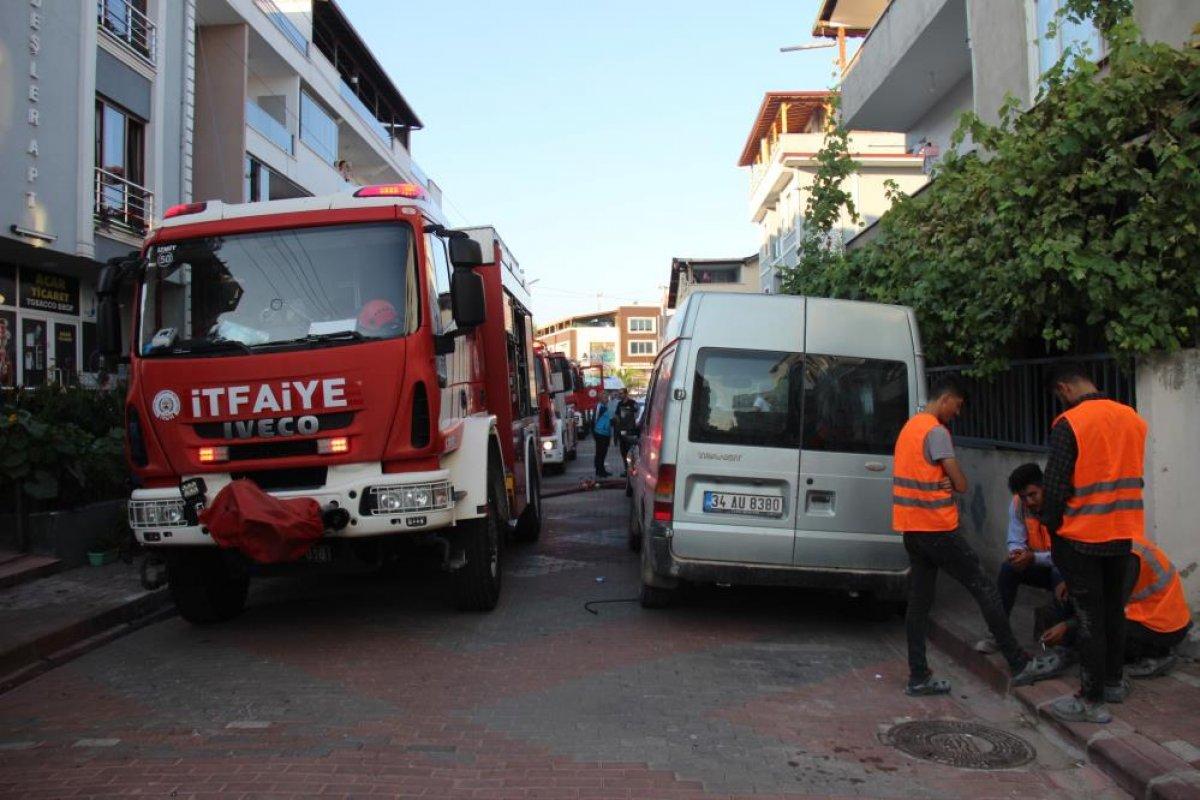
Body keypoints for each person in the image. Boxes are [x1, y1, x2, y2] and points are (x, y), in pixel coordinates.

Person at [894, 379, 1056, 696]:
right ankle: (1018, 662)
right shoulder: (936, 432)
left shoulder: (909, 429)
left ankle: (918, 675)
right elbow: (960, 482)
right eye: (958, 406)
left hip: (912, 529)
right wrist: (951, 483)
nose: (957, 413)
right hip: (938, 530)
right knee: (984, 588)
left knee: (919, 603)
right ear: (947, 398)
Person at [1040, 362, 1147, 724]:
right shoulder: (1132, 418)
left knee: (1089, 619)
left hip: (1083, 537)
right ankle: (1114, 683)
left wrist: (1051, 526)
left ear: (1064, 390)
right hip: (1121, 532)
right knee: (1114, 611)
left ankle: (1090, 698)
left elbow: (1054, 487)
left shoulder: (1069, 424)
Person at [1041, 538, 1192, 681]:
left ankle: (1159, 654)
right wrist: (1070, 583)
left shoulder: (1129, 556)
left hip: (1162, 628)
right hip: (1143, 614)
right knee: (1074, 605)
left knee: (1102, 639)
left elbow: (1108, 608)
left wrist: (1068, 626)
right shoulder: (1109, 546)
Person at [976, 463, 1068, 653]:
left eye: (1033, 495)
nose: (1029, 502)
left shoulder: (1061, 504)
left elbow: (1066, 555)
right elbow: (1015, 538)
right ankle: (998, 634)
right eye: (1024, 497)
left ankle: (1062, 643)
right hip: (1039, 562)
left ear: (1044, 487)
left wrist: (1033, 558)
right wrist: (1017, 553)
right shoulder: (1019, 503)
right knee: (1008, 569)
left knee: (1060, 574)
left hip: (1065, 566)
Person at [613, 389, 639, 476]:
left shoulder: (632, 403)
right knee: (623, 451)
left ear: (626, 394)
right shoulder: (619, 404)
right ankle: (626, 470)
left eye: (621, 393)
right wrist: (617, 421)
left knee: (630, 452)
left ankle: (632, 470)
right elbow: (616, 415)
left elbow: (637, 414)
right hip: (622, 431)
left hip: (630, 431)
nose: (620, 395)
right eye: (619, 394)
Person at [592, 399, 614, 478]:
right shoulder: (599, 407)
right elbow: (594, 419)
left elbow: (609, 420)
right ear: (600, 397)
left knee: (603, 453)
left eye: (606, 396)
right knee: (600, 452)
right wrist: (594, 432)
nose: (606, 398)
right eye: (604, 396)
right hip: (600, 433)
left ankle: (601, 470)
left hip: (606, 433)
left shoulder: (606, 407)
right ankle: (600, 471)